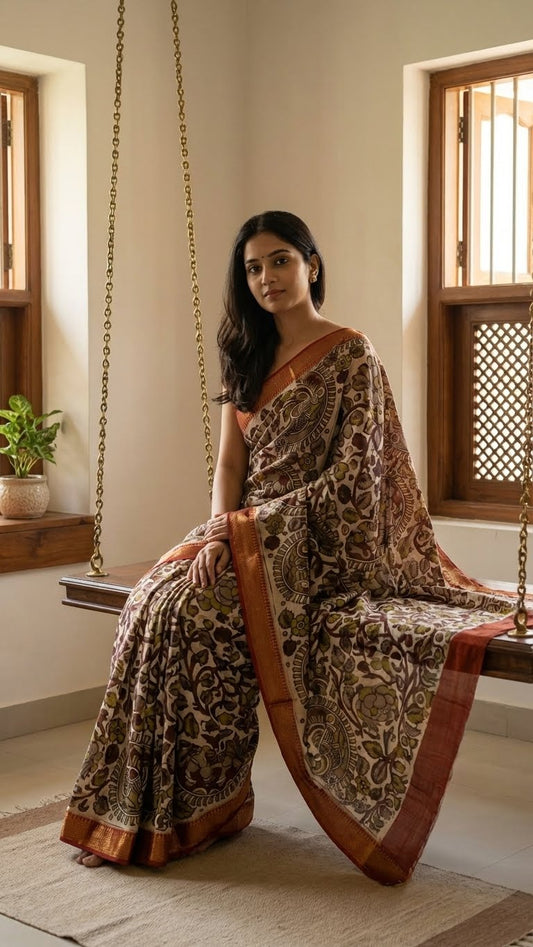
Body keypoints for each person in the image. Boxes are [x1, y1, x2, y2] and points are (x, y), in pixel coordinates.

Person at [61, 210, 514, 884]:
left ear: (311, 264)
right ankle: (138, 810)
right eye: (253, 268)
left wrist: (247, 532)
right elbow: (228, 466)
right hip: (241, 531)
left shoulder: (350, 354)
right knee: (151, 604)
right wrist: (219, 531)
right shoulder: (244, 354)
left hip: (311, 548)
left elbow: (356, 479)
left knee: (191, 616)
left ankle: (204, 810)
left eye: (279, 260)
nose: (266, 277)